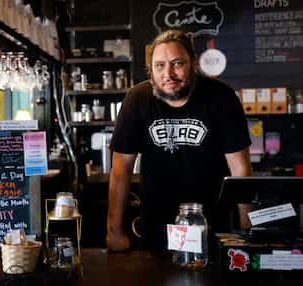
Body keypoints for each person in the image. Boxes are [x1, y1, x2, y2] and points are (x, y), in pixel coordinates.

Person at [106, 29, 252, 252]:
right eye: (160, 65)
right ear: (151, 70)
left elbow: (240, 167)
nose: (168, 73)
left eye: (177, 63)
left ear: (193, 63)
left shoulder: (221, 97)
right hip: (156, 227)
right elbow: (120, 169)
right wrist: (114, 232)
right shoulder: (137, 99)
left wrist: (246, 228)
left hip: (213, 225)